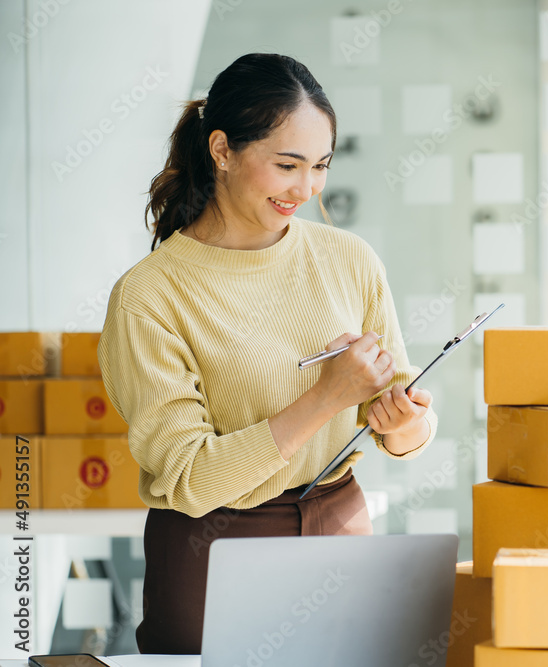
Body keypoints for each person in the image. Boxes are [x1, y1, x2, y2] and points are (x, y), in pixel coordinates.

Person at [96, 53, 438, 655]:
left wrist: (407, 423)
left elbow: (400, 416)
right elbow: (193, 478)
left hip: (341, 530)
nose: (306, 189)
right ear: (222, 150)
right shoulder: (150, 296)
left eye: (321, 166)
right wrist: (326, 397)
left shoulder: (349, 260)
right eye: (287, 165)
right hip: (216, 551)